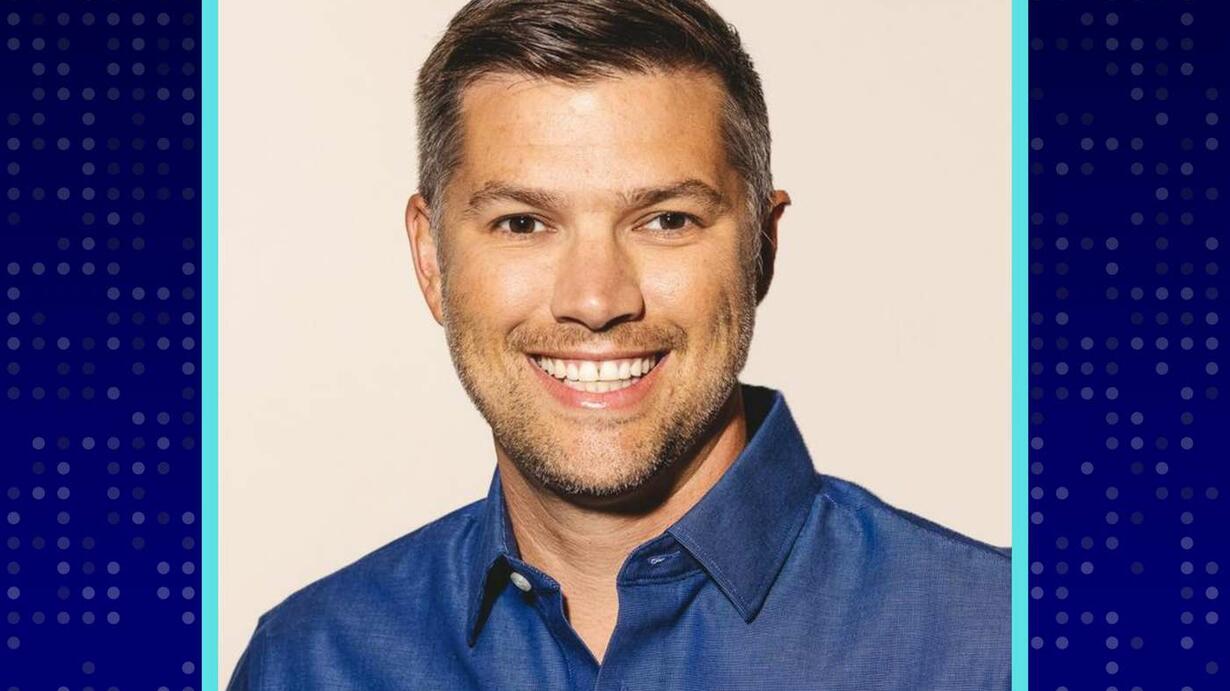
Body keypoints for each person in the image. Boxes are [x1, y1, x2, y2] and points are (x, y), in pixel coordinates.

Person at [228, 0, 1010, 688]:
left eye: (666, 220)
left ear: (762, 247)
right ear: (432, 259)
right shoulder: (309, 663)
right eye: (523, 223)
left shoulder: (1000, 649)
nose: (596, 300)